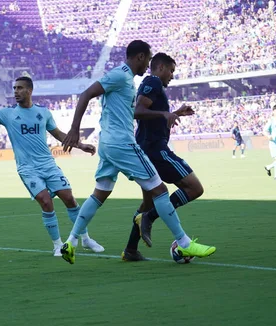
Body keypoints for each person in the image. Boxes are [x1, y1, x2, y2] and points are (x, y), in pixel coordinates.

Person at [60, 41, 216, 264]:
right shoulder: (122, 75)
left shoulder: (127, 80)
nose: (148, 66)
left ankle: (71, 241)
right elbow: (86, 94)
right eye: (148, 59)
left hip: (108, 143)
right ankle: (184, 243)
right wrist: (74, 129)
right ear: (140, 57)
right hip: (122, 143)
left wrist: (170, 113)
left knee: (99, 194)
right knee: (160, 191)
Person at [0, 76, 105, 256]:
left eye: (20, 88)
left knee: (69, 198)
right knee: (46, 202)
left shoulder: (43, 112)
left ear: (29, 91)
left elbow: (59, 135)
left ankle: (86, 239)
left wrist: (80, 145)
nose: (16, 91)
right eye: (14, 88)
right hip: (28, 168)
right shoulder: (7, 114)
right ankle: (57, 246)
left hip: (48, 164)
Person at [122, 52, 204, 261]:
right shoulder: (153, 82)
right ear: (160, 68)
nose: (172, 76)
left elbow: (149, 115)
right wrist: (165, 114)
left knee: (148, 201)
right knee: (194, 187)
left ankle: (131, 250)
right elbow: (138, 111)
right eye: (171, 71)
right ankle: (149, 219)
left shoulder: (153, 85)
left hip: (145, 150)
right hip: (155, 150)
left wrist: (175, 112)